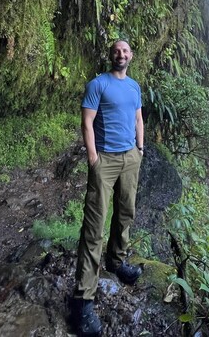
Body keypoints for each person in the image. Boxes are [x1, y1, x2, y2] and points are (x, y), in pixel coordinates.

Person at [73, 39, 144, 336]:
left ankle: (116, 261)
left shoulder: (134, 86)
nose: (121, 54)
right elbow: (87, 122)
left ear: (131, 56)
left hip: (130, 158)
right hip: (105, 159)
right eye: (117, 50)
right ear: (110, 55)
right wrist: (92, 157)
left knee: (125, 213)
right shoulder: (98, 84)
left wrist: (140, 148)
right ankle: (82, 301)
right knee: (94, 227)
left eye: (125, 50)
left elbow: (139, 117)